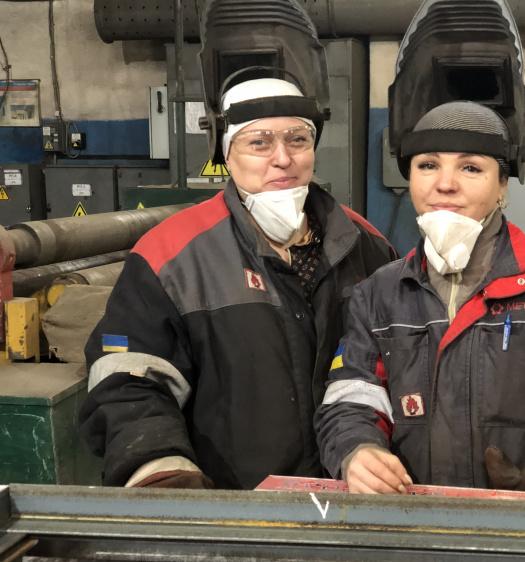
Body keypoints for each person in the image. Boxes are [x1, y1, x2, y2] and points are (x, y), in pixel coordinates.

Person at [315, 101, 525, 502]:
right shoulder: (379, 293)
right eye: (428, 165)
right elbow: (352, 398)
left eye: (471, 167)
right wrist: (357, 450)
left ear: (502, 186)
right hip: (412, 518)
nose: (445, 183)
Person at [78, 78, 396, 490]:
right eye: (259, 143)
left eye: (298, 139)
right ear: (226, 154)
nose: (283, 158)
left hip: (353, 499)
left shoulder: (367, 246)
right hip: (232, 504)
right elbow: (127, 378)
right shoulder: (170, 255)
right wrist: (158, 465)